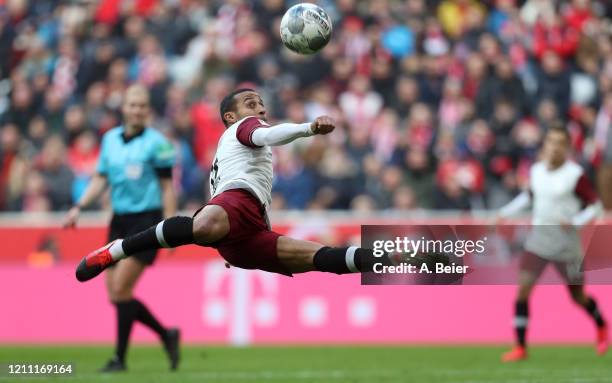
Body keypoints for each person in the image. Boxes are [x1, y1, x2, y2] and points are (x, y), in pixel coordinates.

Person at [75, 88, 403, 285]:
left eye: (262, 104)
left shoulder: (238, 154)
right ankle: (116, 250)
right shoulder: (245, 130)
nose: (259, 109)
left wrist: (239, 238)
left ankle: (399, 260)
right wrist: (309, 128)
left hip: (245, 229)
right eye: (250, 103)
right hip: (232, 211)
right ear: (231, 117)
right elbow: (268, 134)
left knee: (323, 259)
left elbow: (257, 197)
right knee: (202, 224)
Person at [64, 85, 180, 372]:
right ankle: (167, 335)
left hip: (148, 221)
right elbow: (100, 178)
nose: (137, 110)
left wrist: (169, 226)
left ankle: (119, 359)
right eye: (132, 105)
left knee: (120, 288)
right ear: (124, 108)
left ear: (148, 111)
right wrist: (79, 207)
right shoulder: (110, 140)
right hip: (118, 221)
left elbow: (167, 188)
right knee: (116, 294)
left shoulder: (159, 144)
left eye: (142, 105)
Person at [497, 125, 608, 362]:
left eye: (559, 142)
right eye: (550, 141)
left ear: (567, 147)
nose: (554, 147)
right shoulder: (537, 170)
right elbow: (530, 196)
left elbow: (595, 205)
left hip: (566, 245)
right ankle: (520, 347)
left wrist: (576, 221)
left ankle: (601, 324)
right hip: (538, 241)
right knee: (523, 291)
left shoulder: (574, 174)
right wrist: (504, 212)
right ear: (545, 144)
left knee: (578, 297)